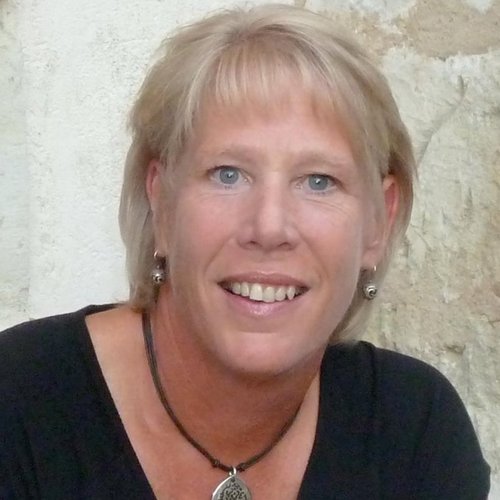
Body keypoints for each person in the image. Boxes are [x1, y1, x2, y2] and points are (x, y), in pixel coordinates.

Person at [0, 3, 490, 499]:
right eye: (228, 174)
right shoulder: (17, 402)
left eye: (318, 181)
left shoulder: (416, 432)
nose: (269, 227)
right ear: (161, 201)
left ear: (378, 222)